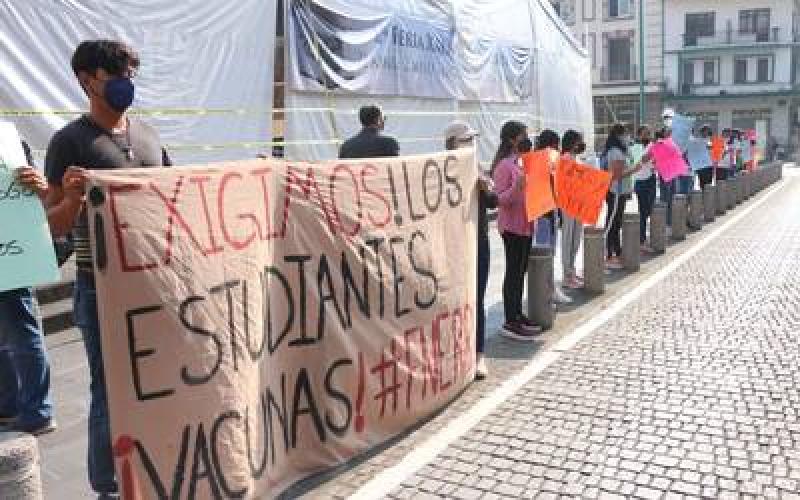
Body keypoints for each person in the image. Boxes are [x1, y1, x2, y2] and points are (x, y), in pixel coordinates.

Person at [44, 39, 171, 497]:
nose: (126, 84)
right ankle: (108, 486)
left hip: (152, 285)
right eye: (115, 75)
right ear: (86, 80)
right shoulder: (69, 143)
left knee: (155, 381)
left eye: (131, 74)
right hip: (98, 289)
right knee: (109, 389)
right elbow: (53, 224)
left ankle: (154, 462)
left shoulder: (150, 138)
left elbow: (176, 202)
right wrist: (74, 198)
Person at [0, 141, 56, 436]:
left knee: (22, 329)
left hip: (10, 252)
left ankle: (37, 412)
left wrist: (41, 186)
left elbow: (42, 195)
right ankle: (8, 405)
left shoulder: (12, 144)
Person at [444, 120, 492, 379]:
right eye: (466, 140)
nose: (472, 144)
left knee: (478, 298)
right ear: (452, 143)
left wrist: (486, 187)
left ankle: (479, 355)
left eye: (472, 139)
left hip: (478, 242)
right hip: (451, 245)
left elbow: (494, 200)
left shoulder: (478, 170)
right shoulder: (438, 171)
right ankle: (455, 353)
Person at [491, 121, 541, 340]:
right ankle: (510, 319)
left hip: (527, 224)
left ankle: (518, 314)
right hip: (511, 227)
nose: (526, 138)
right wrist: (516, 187)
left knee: (520, 272)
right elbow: (498, 200)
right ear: (513, 139)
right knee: (512, 273)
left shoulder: (523, 162)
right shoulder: (503, 165)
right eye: (523, 135)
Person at [532, 130, 571, 304]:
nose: (559, 148)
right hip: (542, 215)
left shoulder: (550, 160)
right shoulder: (540, 161)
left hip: (549, 212)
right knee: (545, 253)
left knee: (549, 252)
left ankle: (548, 288)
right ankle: (546, 290)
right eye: (557, 144)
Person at [603, 123, 640, 269]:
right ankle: (610, 254)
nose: (627, 136)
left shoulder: (621, 150)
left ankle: (616, 252)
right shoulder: (615, 152)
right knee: (613, 222)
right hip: (615, 191)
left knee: (617, 222)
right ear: (619, 135)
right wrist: (634, 169)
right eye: (625, 134)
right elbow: (616, 175)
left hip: (621, 191)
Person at [559, 130, 586, 289]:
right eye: (579, 141)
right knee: (568, 239)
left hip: (579, 203)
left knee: (576, 239)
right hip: (568, 204)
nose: (581, 144)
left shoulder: (577, 158)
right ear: (572, 142)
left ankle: (572, 270)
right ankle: (566, 275)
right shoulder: (564, 159)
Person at [631, 125, 657, 253]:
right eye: (645, 133)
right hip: (640, 181)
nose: (648, 136)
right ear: (639, 135)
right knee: (643, 211)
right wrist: (653, 151)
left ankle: (642, 238)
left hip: (650, 178)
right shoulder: (635, 147)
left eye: (649, 133)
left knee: (648, 210)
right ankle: (640, 240)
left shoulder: (651, 145)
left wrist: (655, 162)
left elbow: (652, 161)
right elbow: (642, 159)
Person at [687, 125, 714, 191]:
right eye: (704, 131)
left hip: (708, 165)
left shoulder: (710, 141)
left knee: (708, 184)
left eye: (707, 131)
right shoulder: (696, 141)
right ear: (701, 132)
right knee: (702, 184)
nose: (706, 133)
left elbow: (712, 149)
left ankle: (708, 198)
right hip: (699, 166)